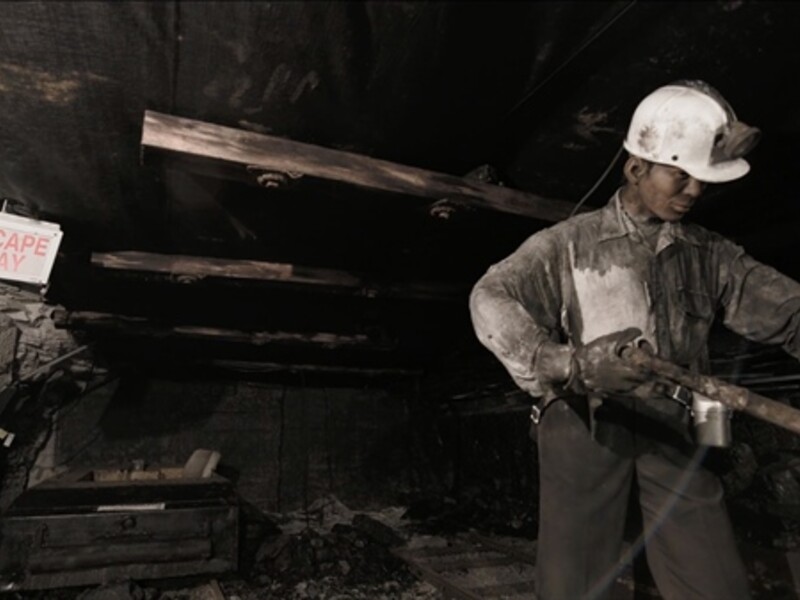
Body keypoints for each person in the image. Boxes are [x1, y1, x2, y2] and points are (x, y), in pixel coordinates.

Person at [469, 80, 800, 600]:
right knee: (574, 581)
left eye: (702, 181)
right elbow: (490, 297)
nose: (694, 191)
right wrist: (569, 363)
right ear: (635, 168)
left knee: (714, 582)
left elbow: (791, 312)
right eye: (680, 175)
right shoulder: (567, 243)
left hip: (676, 423)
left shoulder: (711, 254)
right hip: (586, 419)